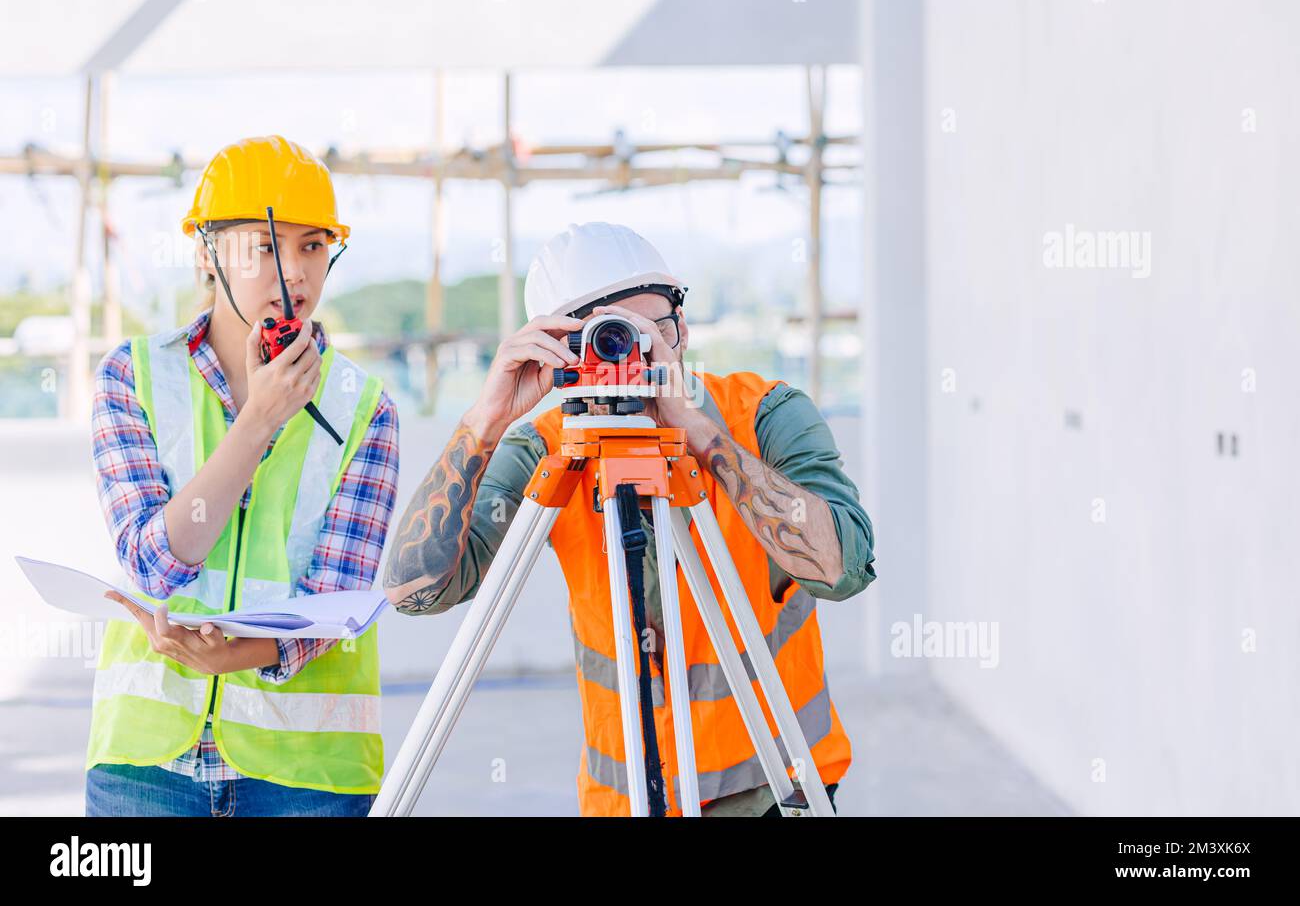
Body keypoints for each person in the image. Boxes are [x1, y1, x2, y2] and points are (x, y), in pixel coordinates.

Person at [383, 221, 875, 816]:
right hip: (624, 800)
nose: (634, 352)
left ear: (683, 327)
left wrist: (696, 433)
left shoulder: (765, 414)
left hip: (779, 787)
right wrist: (484, 420)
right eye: (606, 335)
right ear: (556, 346)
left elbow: (842, 569)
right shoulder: (546, 452)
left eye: (652, 330)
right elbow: (416, 592)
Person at [84, 135, 399, 817]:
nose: (294, 273)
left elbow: (337, 600)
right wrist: (257, 422)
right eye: (263, 246)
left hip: (307, 775)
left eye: (313, 245)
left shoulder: (366, 408)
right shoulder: (130, 377)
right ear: (205, 254)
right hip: (146, 766)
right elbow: (156, 564)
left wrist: (244, 653)